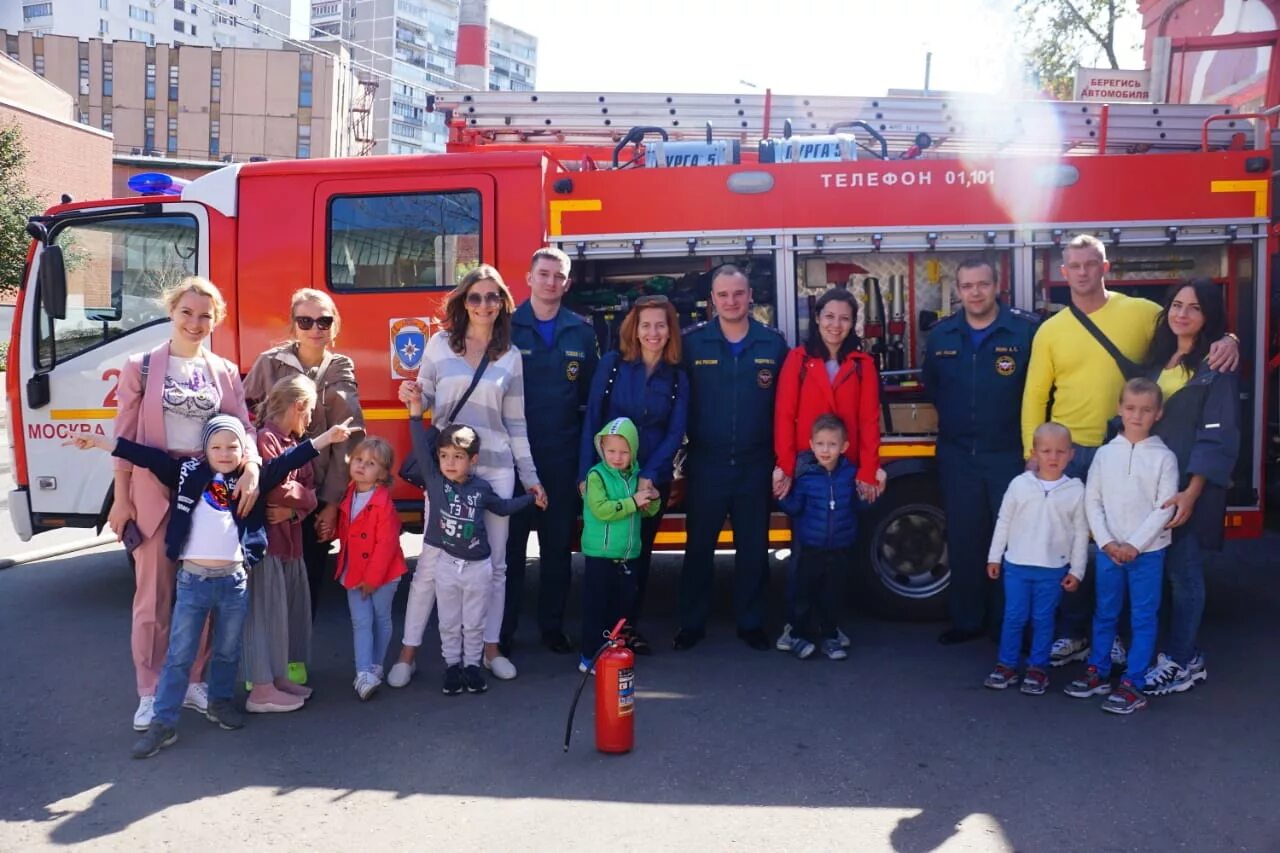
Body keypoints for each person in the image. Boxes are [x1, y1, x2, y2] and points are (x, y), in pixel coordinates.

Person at [66, 414, 355, 758]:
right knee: (179, 656)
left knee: (227, 651)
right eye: (216, 446)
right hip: (193, 581)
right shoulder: (187, 471)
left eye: (232, 446)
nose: (225, 452)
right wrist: (101, 443)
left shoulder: (252, 478)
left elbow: (292, 458)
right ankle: (164, 723)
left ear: (242, 449)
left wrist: (328, 438)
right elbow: (143, 455)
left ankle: (219, 703)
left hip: (234, 582)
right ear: (205, 448)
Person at [1020, 235, 1238, 667]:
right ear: (1063, 273)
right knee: (1077, 549)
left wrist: (1229, 337)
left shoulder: (1142, 314)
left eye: (1090, 263)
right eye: (1073, 266)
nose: (1082, 272)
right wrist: (1033, 452)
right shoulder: (1051, 330)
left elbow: (1194, 320)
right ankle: (1078, 635)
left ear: (1106, 267)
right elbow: (1034, 395)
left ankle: (1144, 645)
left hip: (1133, 457)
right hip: (1073, 453)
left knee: (1133, 552)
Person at [110, 276, 262, 733]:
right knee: (153, 596)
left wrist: (251, 464)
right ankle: (150, 689)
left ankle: (195, 680)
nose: (196, 323)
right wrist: (121, 500)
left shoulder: (225, 370)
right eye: (187, 313)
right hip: (155, 489)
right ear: (171, 312)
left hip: (208, 495)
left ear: (216, 320)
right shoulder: (140, 367)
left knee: (205, 591)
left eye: (205, 315)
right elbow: (124, 439)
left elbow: (243, 428)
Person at [388, 265, 547, 687]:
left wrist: (530, 479)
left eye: (492, 297)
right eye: (475, 297)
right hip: (447, 470)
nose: (483, 305)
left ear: (503, 305)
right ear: (463, 302)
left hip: (495, 471)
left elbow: (516, 425)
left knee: (495, 566)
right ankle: (408, 652)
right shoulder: (440, 346)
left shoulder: (510, 355)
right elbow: (421, 399)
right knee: (431, 563)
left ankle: (489, 650)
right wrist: (412, 396)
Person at [244, 287, 365, 670]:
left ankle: (294, 665)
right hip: (272, 494)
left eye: (324, 321)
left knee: (307, 578)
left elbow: (349, 440)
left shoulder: (341, 368)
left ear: (335, 327)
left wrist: (330, 505)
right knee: (267, 584)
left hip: (316, 495)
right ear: (294, 325)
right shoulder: (268, 364)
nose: (315, 329)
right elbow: (246, 421)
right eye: (306, 321)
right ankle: (265, 667)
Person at [924, 258, 1038, 646]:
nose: (975, 292)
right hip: (958, 455)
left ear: (997, 286)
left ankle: (1009, 625)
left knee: (1013, 543)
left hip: (1008, 454)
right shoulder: (941, 336)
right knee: (966, 540)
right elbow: (933, 386)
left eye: (982, 285)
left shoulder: (1025, 331)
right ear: (957, 290)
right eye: (967, 286)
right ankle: (967, 621)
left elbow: (1041, 390)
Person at [675, 264, 789, 652]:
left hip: (756, 464)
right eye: (722, 295)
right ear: (712, 300)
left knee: (754, 549)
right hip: (707, 462)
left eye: (738, 294)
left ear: (751, 296)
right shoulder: (693, 344)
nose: (731, 301)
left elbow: (784, 408)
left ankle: (752, 622)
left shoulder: (773, 344)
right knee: (699, 548)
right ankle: (691, 623)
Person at [1141, 280, 1240, 696]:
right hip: (1151, 485)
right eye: (1177, 305)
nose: (1182, 314)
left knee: (1184, 575)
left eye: (1194, 308)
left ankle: (1184, 659)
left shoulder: (1215, 366)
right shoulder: (1157, 358)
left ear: (1208, 316)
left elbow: (1218, 436)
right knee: (1156, 572)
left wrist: (1192, 492)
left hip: (1183, 488)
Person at [403, 383, 535, 695]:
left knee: (474, 620)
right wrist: (414, 412)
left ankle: (473, 666)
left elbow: (502, 508)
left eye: (458, 457)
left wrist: (530, 498)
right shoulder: (435, 484)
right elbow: (421, 448)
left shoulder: (482, 489)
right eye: (444, 456)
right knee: (449, 621)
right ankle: (452, 667)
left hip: (479, 566)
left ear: (473, 460)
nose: (449, 462)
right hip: (448, 565)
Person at [772, 287, 882, 654]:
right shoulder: (799, 360)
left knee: (838, 554)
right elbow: (785, 415)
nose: (836, 325)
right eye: (829, 317)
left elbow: (868, 420)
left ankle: (830, 626)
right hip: (808, 467)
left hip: (846, 466)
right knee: (806, 555)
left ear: (853, 323)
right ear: (817, 318)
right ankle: (797, 625)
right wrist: (785, 467)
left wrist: (868, 470)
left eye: (845, 318)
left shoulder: (862, 364)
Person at [578, 294, 688, 654]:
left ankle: (627, 629)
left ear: (670, 330)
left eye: (660, 325)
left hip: (649, 482)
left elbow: (675, 431)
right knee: (605, 555)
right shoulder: (612, 365)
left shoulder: (677, 377)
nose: (653, 332)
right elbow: (593, 418)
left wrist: (651, 475)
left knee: (637, 557)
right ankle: (601, 633)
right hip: (608, 479)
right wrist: (584, 473)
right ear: (634, 329)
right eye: (646, 325)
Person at [504, 248, 599, 656]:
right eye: (543, 274)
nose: (550, 282)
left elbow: (590, 402)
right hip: (512, 459)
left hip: (561, 457)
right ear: (528, 278)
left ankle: (552, 628)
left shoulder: (582, 332)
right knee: (508, 550)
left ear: (568, 282)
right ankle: (501, 633)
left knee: (558, 549)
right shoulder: (505, 327)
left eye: (558, 276)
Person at [1065, 379, 1178, 715]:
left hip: (1148, 553)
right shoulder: (1104, 454)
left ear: (1158, 413)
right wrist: (1107, 542)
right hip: (1108, 551)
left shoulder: (1164, 457)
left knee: (1143, 617)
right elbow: (1092, 499)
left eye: (1145, 410)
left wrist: (1135, 545)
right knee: (1105, 612)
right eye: (1130, 408)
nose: (1137, 416)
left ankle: (1134, 682)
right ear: (1119, 409)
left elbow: (1165, 507)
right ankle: (1097, 671)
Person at [982, 423, 1088, 695]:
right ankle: (1006, 665)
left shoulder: (1076, 491)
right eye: (1046, 451)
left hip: (1053, 569)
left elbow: (1080, 533)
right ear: (1034, 454)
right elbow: (1004, 521)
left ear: (1071, 455)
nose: (1053, 457)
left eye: (1060, 452)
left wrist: (1076, 571)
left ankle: (1037, 668)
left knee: (1043, 619)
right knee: (1014, 617)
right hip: (1016, 566)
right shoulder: (1019, 485)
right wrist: (995, 557)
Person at [243, 375, 321, 714]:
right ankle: (261, 689)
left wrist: (298, 509)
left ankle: (278, 677)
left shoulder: (289, 442)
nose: (311, 419)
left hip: (290, 544)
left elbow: (304, 495)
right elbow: (275, 490)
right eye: (310, 411)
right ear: (298, 406)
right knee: (265, 614)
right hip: (269, 548)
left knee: (287, 613)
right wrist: (305, 501)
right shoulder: (266, 440)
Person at [579, 417, 662, 672]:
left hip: (627, 556)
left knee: (620, 609)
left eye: (624, 452)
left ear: (633, 452)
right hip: (600, 556)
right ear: (601, 449)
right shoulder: (596, 476)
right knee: (597, 608)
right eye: (611, 451)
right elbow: (602, 510)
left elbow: (646, 512)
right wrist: (633, 502)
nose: (616, 457)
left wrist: (653, 499)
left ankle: (613, 654)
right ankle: (589, 657)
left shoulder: (637, 477)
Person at [777, 414, 862, 661]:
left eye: (833, 444)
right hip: (811, 547)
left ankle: (830, 637)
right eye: (821, 444)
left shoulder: (850, 475)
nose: (826, 450)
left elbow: (859, 506)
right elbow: (794, 508)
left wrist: (873, 492)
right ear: (811, 445)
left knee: (832, 594)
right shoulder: (806, 478)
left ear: (844, 447)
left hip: (839, 547)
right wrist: (779, 494)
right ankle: (796, 635)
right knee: (803, 593)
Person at [334, 436, 408, 701]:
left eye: (371, 463)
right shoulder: (349, 493)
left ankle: (376, 664)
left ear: (383, 473)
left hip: (383, 576)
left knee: (381, 618)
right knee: (361, 622)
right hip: (354, 572)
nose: (362, 466)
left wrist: (373, 580)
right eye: (358, 460)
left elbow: (386, 545)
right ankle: (363, 673)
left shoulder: (383, 504)